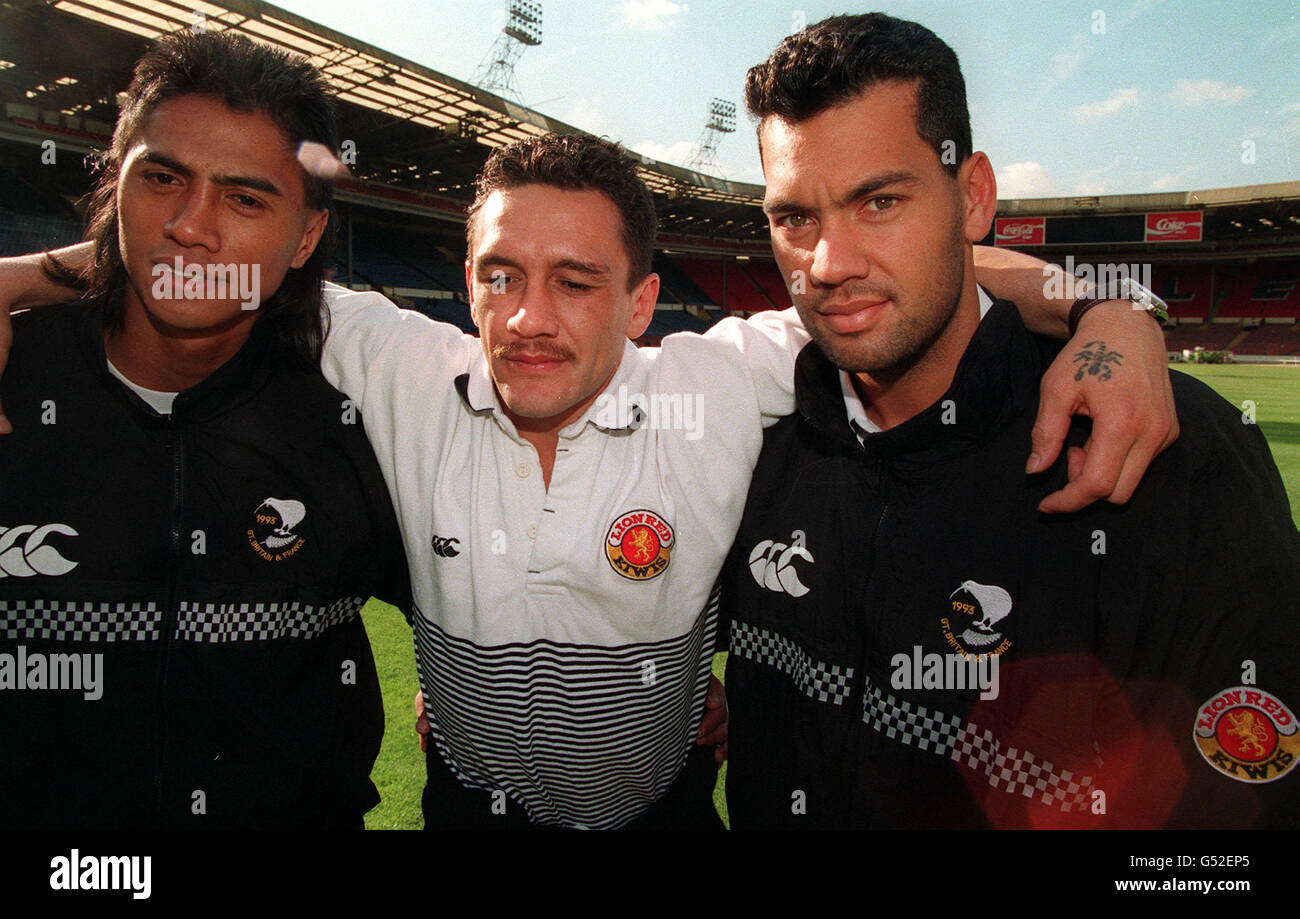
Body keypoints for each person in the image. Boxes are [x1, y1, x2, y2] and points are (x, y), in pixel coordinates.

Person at [0, 103, 1180, 830]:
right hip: (463, 820)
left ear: (643, 302)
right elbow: (181, 263)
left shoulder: (717, 384)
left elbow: (923, 285)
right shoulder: (395, 361)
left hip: (661, 823)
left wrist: (1120, 313)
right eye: (500, 274)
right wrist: (6, 280)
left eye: (575, 282)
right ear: (465, 283)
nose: (527, 317)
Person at [719, 12, 1300, 829]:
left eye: (879, 201)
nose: (828, 264)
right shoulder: (753, 433)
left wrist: (1111, 308)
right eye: (794, 219)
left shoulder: (1168, 448)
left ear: (974, 196)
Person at [0, 30, 409, 829]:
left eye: (246, 198)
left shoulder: (362, 420)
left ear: (308, 238)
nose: (192, 226)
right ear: (113, 185)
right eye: (162, 178)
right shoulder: (13, 378)